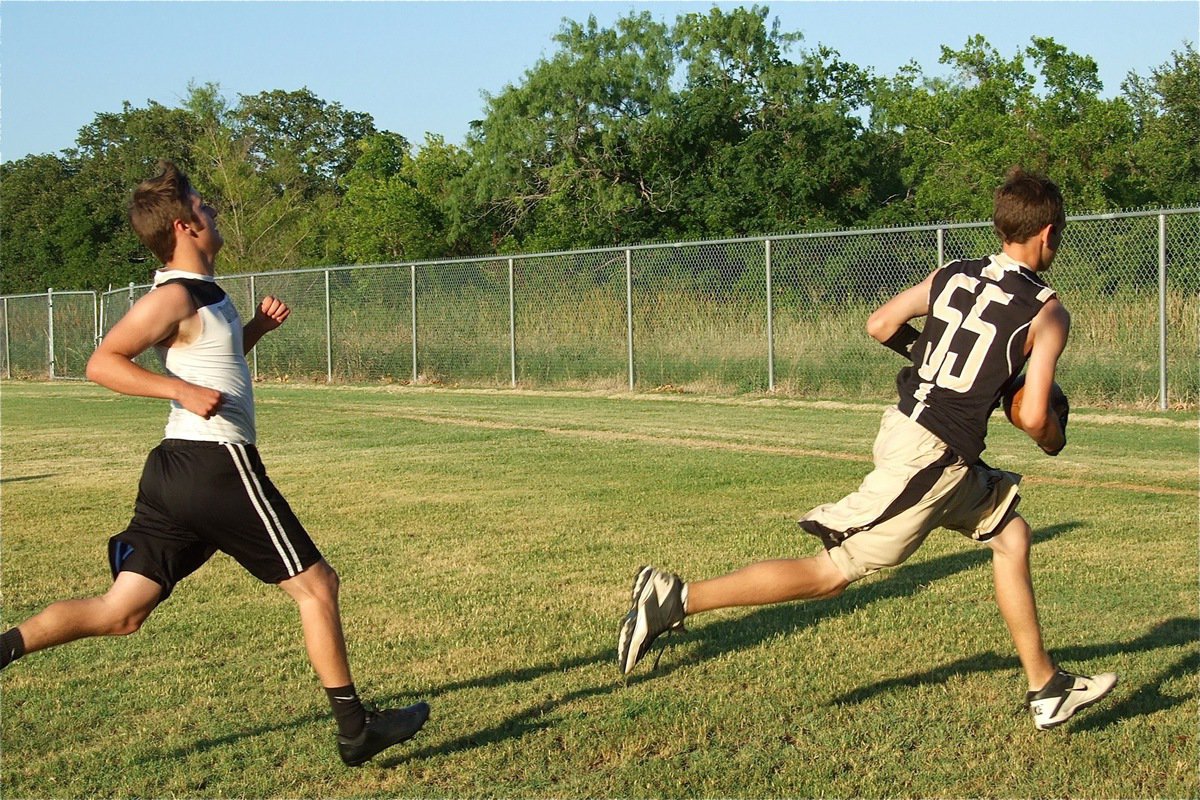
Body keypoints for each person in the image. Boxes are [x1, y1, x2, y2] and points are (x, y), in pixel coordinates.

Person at [617, 167, 1117, 731]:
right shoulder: (1048, 311)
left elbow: (880, 324)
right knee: (835, 570)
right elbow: (1030, 415)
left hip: (911, 429)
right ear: (1049, 234)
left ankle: (1046, 686)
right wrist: (1053, 435)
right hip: (935, 456)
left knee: (1010, 533)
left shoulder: (955, 273)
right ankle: (675, 598)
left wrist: (934, 364)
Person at [0, 161, 429, 766]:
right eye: (203, 205)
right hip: (215, 463)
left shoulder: (206, 294)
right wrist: (176, 391)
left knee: (120, 613)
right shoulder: (173, 294)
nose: (213, 210)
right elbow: (103, 363)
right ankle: (355, 729)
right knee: (316, 585)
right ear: (183, 225)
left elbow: (211, 366)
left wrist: (252, 328)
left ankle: (2, 648)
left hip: (178, 473)